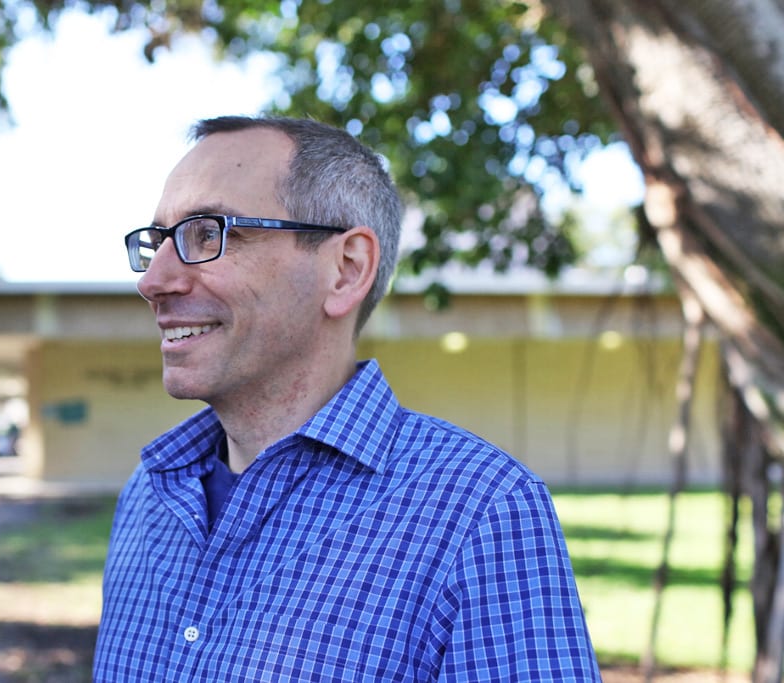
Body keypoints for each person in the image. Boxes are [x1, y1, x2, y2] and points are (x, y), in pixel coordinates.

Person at [93, 116, 600, 681]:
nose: (153, 280)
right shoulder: (150, 494)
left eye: (208, 234)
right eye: (157, 241)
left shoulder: (480, 514)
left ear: (346, 269)